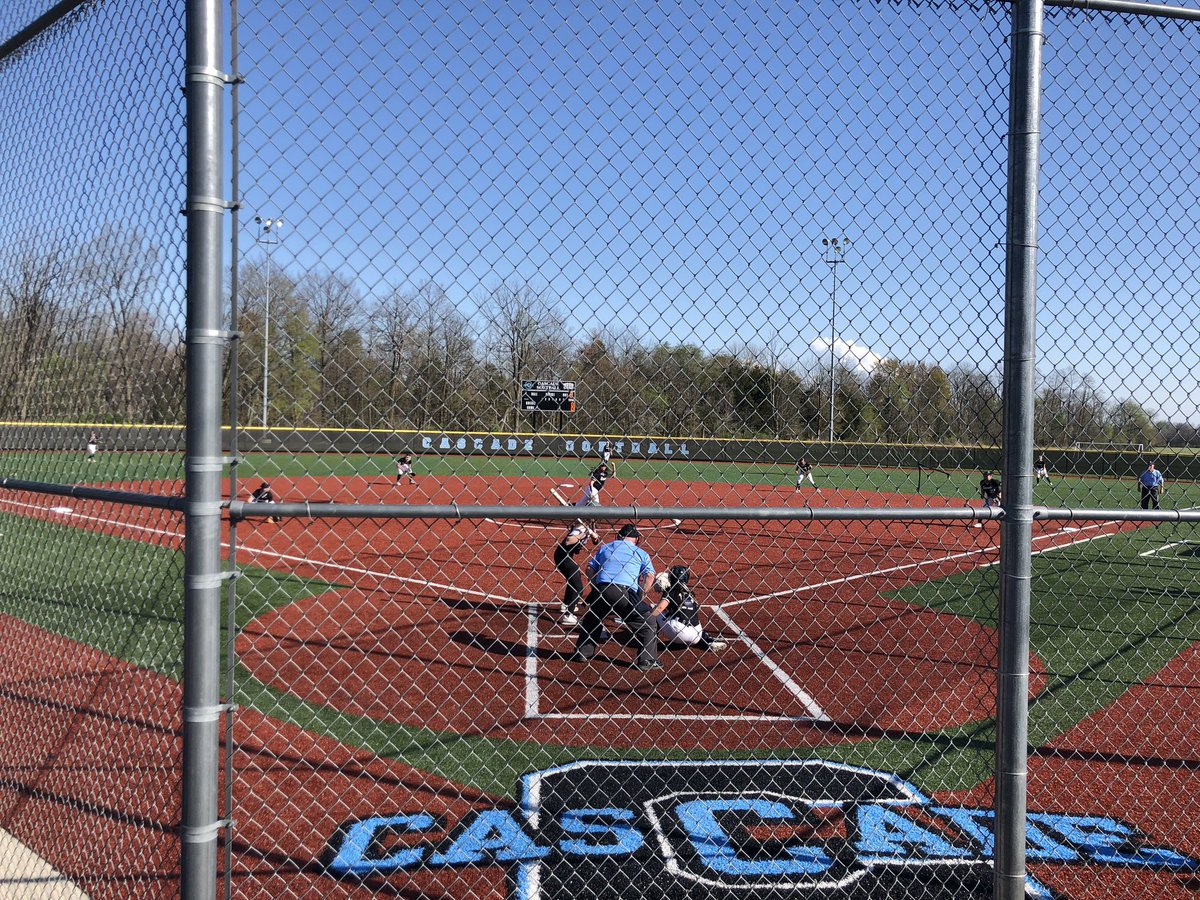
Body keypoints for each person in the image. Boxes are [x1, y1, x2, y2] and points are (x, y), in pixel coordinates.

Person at [573, 524, 663, 671]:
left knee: (592, 619)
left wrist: (596, 587)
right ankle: (646, 660)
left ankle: (583, 652)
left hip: (602, 590)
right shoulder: (640, 553)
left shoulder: (606, 547)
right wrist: (640, 594)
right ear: (636, 539)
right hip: (624, 593)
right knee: (648, 623)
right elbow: (649, 576)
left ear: (619, 536)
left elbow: (590, 569)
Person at [653, 565, 726, 652]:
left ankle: (650, 640)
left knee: (654, 608)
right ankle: (705, 641)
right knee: (685, 616)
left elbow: (660, 608)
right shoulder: (690, 593)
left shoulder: (672, 590)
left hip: (679, 633)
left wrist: (647, 618)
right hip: (697, 634)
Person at [553, 521, 598, 627]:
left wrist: (593, 536)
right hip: (563, 556)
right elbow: (569, 541)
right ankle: (568, 615)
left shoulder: (590, 527)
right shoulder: (581, 528)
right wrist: (584, 533)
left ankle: (567, 604)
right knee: (578, 587)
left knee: (573, 580)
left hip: (567, 556)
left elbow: (595, 541)